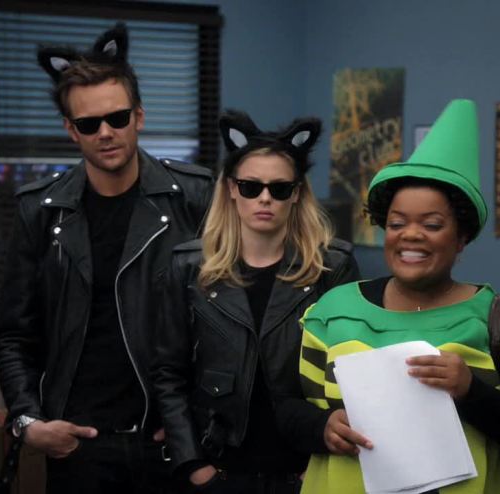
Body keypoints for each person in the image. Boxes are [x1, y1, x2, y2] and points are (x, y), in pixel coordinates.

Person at [298, 99, 500, 494]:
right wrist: (319, 427)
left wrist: (471, 391)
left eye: (432, 224)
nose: (411, 235)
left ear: (461, 237)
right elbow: (288, 408)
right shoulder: (332, 313)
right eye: (397, 223)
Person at [0, 23, 213, 493]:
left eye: (117, 118)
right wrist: (28, 421)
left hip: (171, 440)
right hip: (78, 444)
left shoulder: (193, 196)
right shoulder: (41, 210)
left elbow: (226, 319)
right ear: (71, 130)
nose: (106, 133)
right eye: (90, 124)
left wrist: (196, 418)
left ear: (139, 116)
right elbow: (14, 332)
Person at [152, 110, 360, 493]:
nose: (265, 198)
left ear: (296, 193)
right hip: (220, 470)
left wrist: (318, 461)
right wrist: (194, 465)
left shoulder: (332, 267)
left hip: (304, 470)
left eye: (279, 188)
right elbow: (169, 373)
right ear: (232, 189)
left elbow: (349, 372)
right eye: (251, 187)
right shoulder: (189, 267)